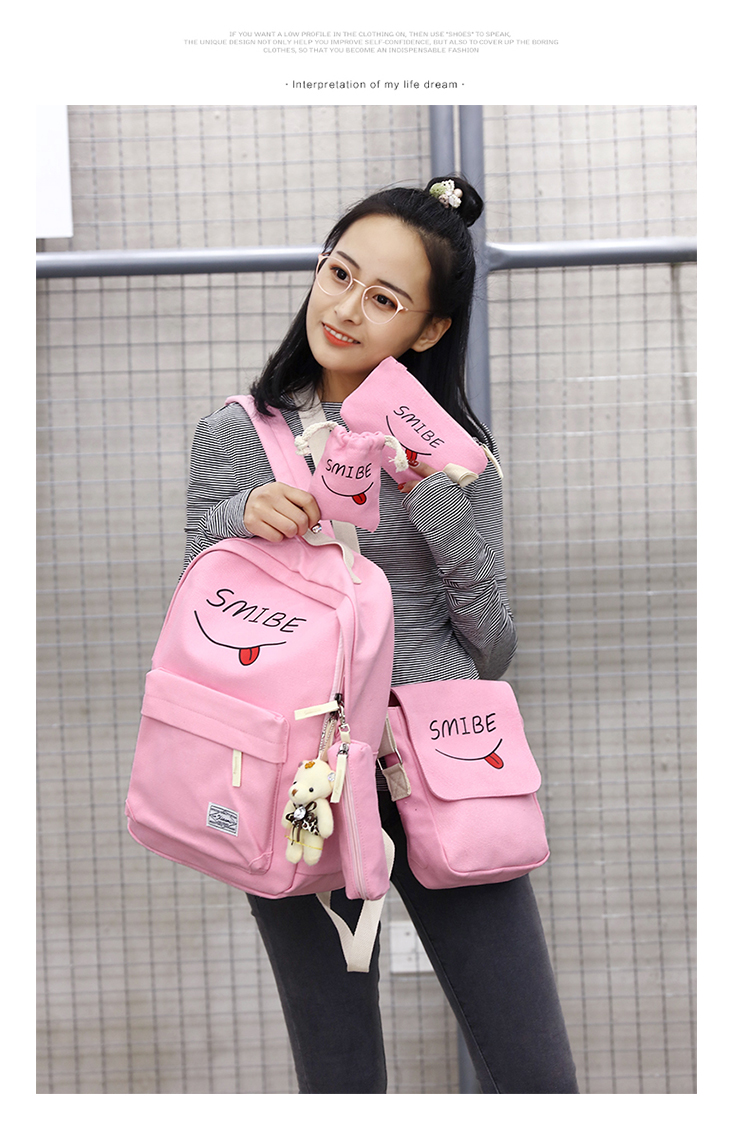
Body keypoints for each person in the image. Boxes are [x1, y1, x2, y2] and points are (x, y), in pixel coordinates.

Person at [183, 175, 579, 1094]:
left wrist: (436, 504)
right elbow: (199, 617)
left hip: (441, 765)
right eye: (339, 273)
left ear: (429, 329)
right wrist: (240, 516)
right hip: (301, 780)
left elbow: (493, 645)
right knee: (340, 1077)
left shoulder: (459, 459)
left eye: (386, 299)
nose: (346, 308)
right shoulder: (238, 434)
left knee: (535, 1074)